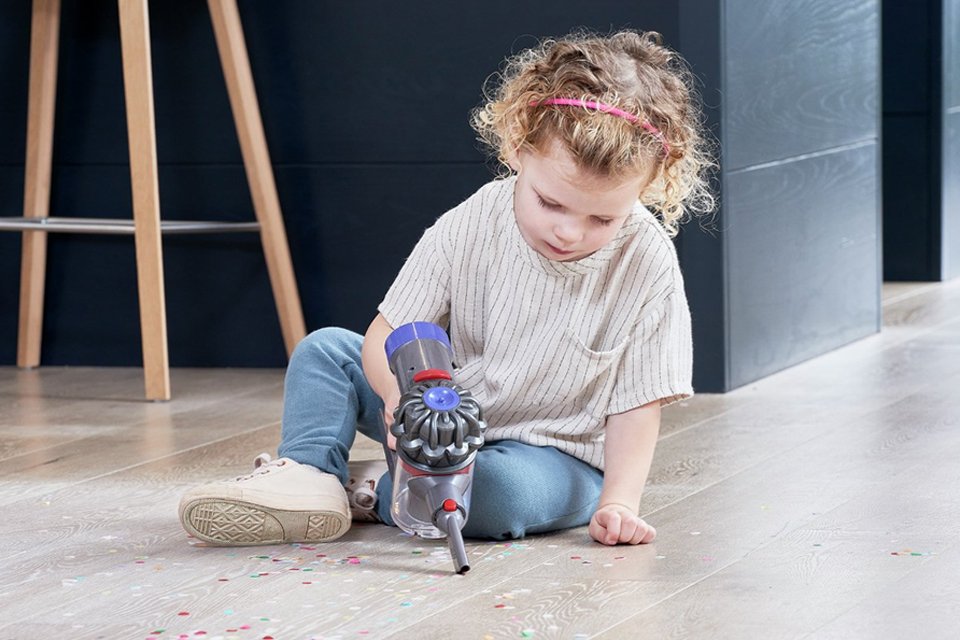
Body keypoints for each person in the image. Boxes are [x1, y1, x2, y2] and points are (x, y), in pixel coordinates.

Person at [179, 29, 714, 548]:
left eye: (602, 218)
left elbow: (637, 403)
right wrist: (399, 398)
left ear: (650, 184)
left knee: (496, 496)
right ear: (517, 147)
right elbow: (388, 332)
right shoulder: (474, 219)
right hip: (444, 417)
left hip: (552, 456)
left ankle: (375, 487)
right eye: (550, 203)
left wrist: (619, 503)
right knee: (326, 352)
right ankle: (310, 475)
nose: (568, 233)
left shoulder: (647, 260)